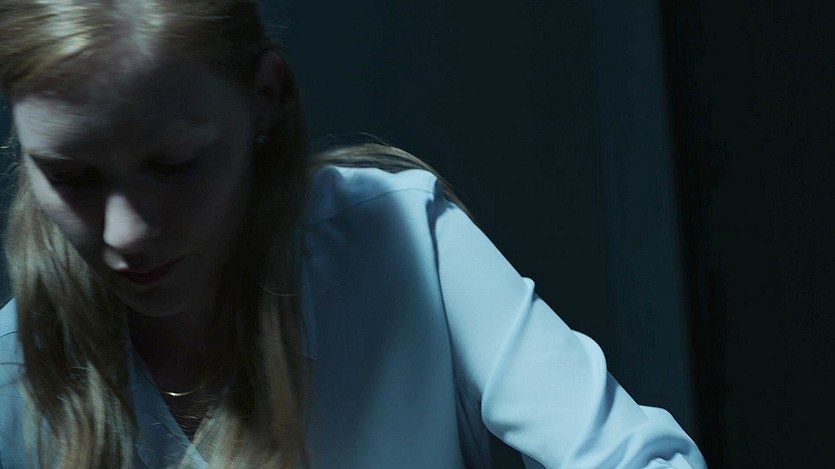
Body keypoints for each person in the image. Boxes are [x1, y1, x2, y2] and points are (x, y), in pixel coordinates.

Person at [0, 1, 707, 468]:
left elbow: (636, 457)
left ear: (265, 97)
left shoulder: (400, 236)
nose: (126, 233)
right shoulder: (10, 371)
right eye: (72, 177)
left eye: (174, 164)